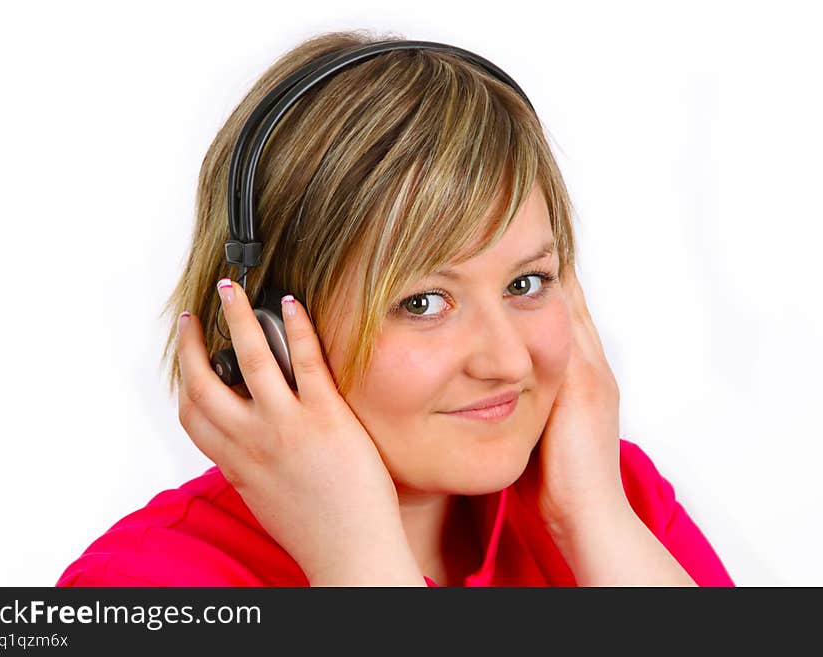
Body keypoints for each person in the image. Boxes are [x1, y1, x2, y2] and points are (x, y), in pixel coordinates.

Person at [56, 30, 734, 587]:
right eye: (423, 302)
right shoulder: (144, 586)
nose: (505, 360)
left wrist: (592, 519)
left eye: (526, 283)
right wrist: (360, 563)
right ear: (269, 338)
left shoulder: (612, 497)